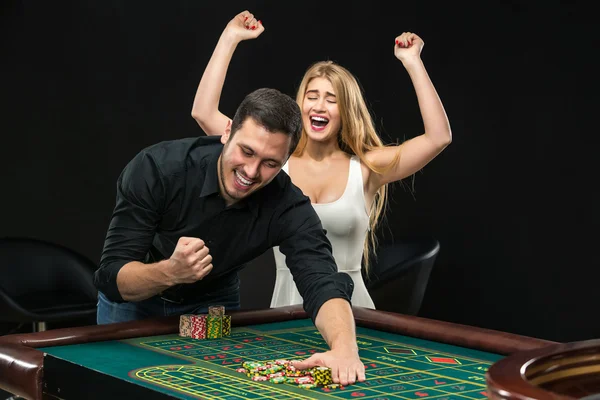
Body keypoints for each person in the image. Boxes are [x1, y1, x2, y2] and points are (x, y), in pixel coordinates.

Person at [94, 87, 365, 385]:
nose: (251, 171)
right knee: (119, 389)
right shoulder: (158, 169)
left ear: (285, 160)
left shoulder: (288, 205)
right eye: (246, 151)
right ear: (226, 132)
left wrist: (344, 349)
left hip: (212, 299)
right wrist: (171, 272)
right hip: (137, 297)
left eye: (270, 163)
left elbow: (322, 282)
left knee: (211, 387)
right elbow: (112, 277)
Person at [191, 11, 452, 309]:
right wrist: (229, 38)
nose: (319, 106)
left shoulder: (366, 168)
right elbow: (204, 112)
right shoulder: (274, 164)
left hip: (353, 313)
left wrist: (413, 62)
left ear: (345, 111)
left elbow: (438, 137)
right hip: (286, 315)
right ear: (300, 105)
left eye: (331, 99)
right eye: (312, 96)